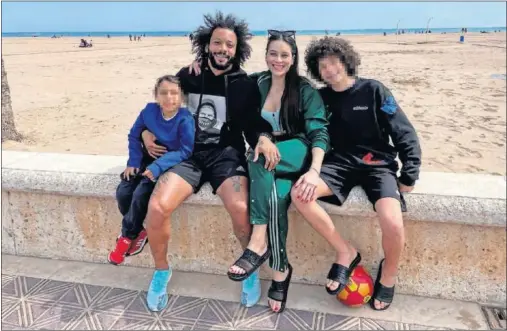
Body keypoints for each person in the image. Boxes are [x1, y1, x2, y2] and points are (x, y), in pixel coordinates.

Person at [191, 30, 329, 313]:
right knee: (276, 198)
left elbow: (319, 133)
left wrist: (314, 170)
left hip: (296, 150)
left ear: (293, 58)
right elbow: (221, 78)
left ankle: (257, 241)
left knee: (257, 156)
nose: (278, 60)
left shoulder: (304, 90)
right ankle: (280, 271)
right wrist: (198, 66)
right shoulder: (256, 82)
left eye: (284, 55)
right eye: (273, 54)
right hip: (268, 155)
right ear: (265, 55)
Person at [140, 11, 261, 312]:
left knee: (240, 208)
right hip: (187, 154)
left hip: (226, 155)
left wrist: (264, 138)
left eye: (229, 45)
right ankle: (161, 270)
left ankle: (250, 269)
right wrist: (145, 132)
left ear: (237, 49)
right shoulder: (187, 75)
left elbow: (252, 123)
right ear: (207, 45)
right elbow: (161, 110)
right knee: (157, 207)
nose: (223, 49)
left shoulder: (244, 84)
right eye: (217, 43)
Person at [294, 36, 421, 311]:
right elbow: (306, 127)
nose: (329, 70)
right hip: (339, 164)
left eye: (333, 62)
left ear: (345, 60)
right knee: (300, 195)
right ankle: (345, 251)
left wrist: (410, 172)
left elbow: (403, 130)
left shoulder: (375, 90)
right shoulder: (321, 98)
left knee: (394, 223)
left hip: (378, 165)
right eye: (322, 66)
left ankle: (389, 274)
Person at [108, 75, 195, 266]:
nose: (169, 98)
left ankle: (126, 238)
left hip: (167, 163)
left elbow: (186, 150)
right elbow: (133, 135)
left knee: (141, 193)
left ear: (181, 98)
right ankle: (139, 231)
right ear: (156, 95)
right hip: (145, 158)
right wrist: (133, 161)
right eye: (163, 93)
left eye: (174, 93)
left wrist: (157, 167)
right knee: (123, 191)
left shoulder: (185, 119)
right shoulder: (149, 111)